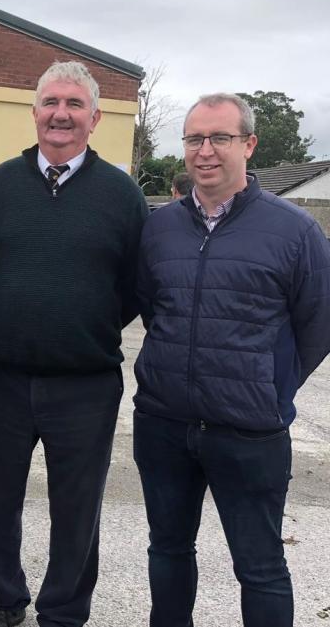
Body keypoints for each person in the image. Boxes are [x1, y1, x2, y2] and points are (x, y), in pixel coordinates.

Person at [133, 93, 330, 627]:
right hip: (165, 422)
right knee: (168, 549)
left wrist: (270, 385)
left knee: (260, 566)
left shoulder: (294, 230)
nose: (205, 151)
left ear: (249, 144)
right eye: (195, 138)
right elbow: (154, 307)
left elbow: (317, 323)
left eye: (220, 137)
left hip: (249, 430)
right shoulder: (160, 228)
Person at [0, 61, 148, 627]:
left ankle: (64, 613)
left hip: (86, 383)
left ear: (94, 119)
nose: (61, 114)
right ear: (34, 113)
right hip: (3, 375)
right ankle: (6, 600)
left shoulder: (122, 194)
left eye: (75, 104)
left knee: (76, 509)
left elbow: (134, 285)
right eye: (51, 102)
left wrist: (80, 324)